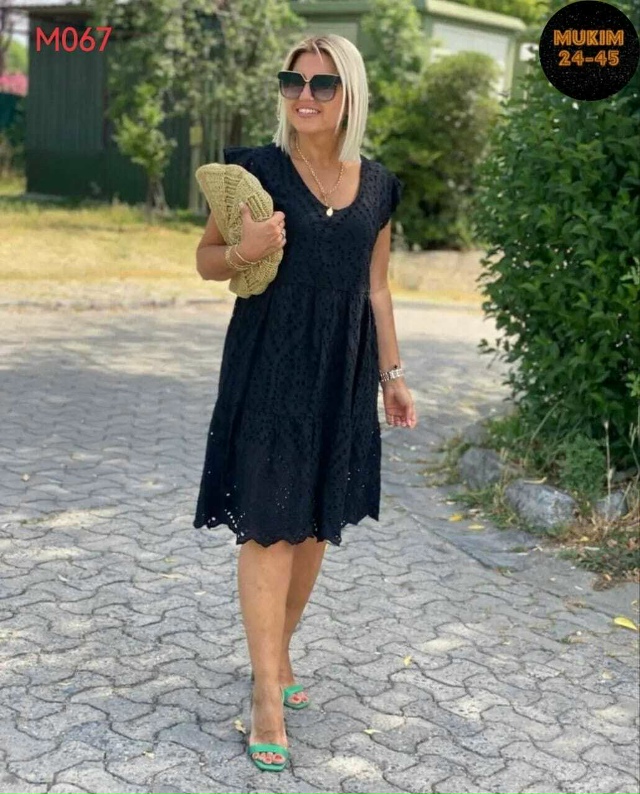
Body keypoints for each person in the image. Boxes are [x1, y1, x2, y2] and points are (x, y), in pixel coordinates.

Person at [192, 33, 418, 772]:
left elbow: (377, 286)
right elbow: (207, 261)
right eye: (294, 83)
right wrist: (247, 249)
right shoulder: (253, 172)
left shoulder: (378, 187)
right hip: (267, 367)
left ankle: (279, 653)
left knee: (315, 524)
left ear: (350, 94)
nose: (306, 97)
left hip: (339, 375)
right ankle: (266, 692)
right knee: (269, 528)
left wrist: (392, 374)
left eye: (323, 85)